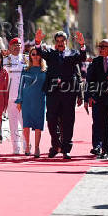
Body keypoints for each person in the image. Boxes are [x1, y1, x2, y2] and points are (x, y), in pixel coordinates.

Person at [35, 30, 86, 159]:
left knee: (68, 121)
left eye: (62, 41)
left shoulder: (73, 53)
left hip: (69, 93)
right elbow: (40, 52)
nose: (60, 44)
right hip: (53, 93)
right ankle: (56, 145)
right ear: (55, 42)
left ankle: (66, 149)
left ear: (66, 42)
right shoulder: (51, 54)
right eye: (57, 41)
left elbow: (82, 57)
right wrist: (37, 42)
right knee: (51, 121)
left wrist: (82, 45)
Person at [15, 48, 47, 158]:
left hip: (40, 99)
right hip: (27, 99)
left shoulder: (45, 70)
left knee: (39, 123)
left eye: (38, 54)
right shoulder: (25, 69)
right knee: (26, 124)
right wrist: (19, 100)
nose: (35, 56)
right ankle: (28, 146)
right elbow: (20, 86)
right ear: (30, 56)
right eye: (33, 54)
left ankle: (37, 147)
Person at [3, 37, 27, 154]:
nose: (17, 47)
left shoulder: (26, 59)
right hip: (11, 97)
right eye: (14, 45)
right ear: (10, 47)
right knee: (13, 124)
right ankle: (15, 148)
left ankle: (27, 147)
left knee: (25, 124)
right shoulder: (5, 60)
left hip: (24, 97)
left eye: (19, 45)